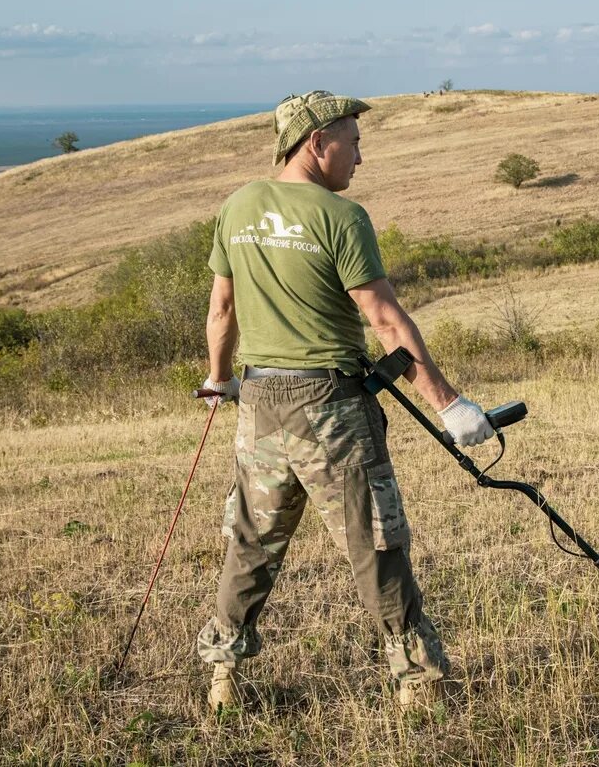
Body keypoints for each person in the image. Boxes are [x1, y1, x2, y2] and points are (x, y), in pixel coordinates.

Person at [194, 90, 496, 712]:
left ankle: (223, 673)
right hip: (329, 406)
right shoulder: (341, 216)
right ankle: (418, 685)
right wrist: (448, 403)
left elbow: (221, 311)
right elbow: (385, 321)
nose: (360, 155)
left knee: (252, 542)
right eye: (353, 141)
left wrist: (219, 379)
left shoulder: (237, 206)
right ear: (317, 141)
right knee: (375, 543)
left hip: (259, 402)